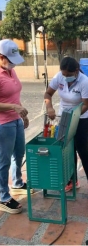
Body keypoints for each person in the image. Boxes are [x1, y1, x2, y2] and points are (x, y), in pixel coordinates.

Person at [0, 39, 32, 214]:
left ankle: (17, 182)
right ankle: (4, 197)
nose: (13, 64)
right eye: (10, 60)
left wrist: (21, 114)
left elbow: (14, 96)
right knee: (3, 161)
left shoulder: (10, 71)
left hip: (15, 120)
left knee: (19, 154)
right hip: (1, 124)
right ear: (1, 56)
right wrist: (13, 108)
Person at [44, 56, 88, 192]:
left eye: (68, 75)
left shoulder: (85, 81)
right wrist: (49, 107)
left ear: (76, 71)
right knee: (67, 151)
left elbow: (86, 105)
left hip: (81, 118)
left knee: (84, 152)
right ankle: (72, 180)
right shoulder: (59, 77)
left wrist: (73, 117)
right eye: (63, 74)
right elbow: (48, 94)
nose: (65, 77)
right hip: (64, 118)